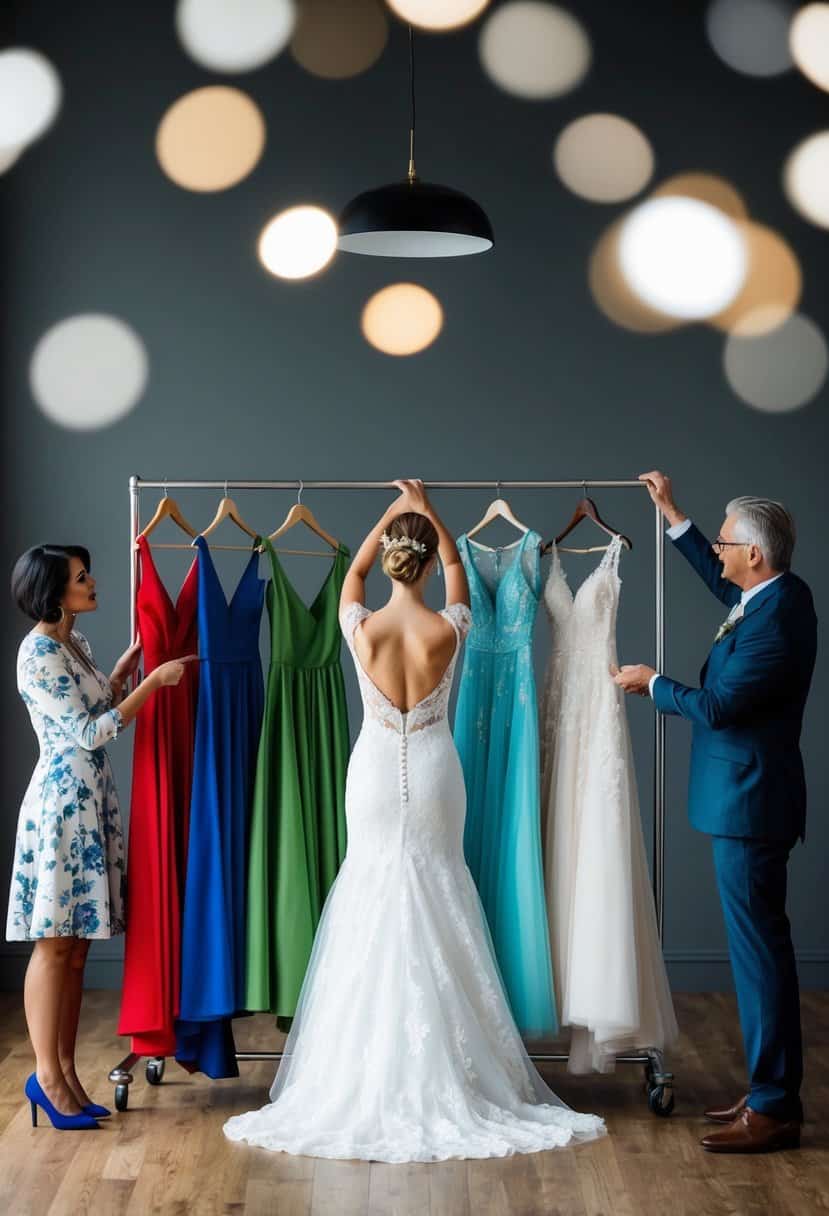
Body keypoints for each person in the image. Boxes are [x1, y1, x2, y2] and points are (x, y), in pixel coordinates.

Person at [223, 481, 604, 1161]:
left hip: (371, 771)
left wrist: (389, 518)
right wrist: (427, 511)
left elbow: (355, 572)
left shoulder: (359, 627)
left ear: (393, 561)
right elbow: (458, 572)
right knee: (438, 889)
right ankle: (453, 1069)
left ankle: (357, 1070)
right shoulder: (450, 628)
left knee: (369, 893)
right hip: (432, 770)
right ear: (426, 565)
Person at [614, 473, 817, 1154]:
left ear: (755, 556)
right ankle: (768, 1092)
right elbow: (717, 578)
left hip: (750, 806)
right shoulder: (768, 595)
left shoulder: (778, 619)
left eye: (728, 543)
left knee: (760, 959)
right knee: (758, 954)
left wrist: (655, 686)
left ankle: (774, 1107)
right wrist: (673, 516)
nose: (721, 553)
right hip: (743, 801)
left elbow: (721, 707)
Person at [8, 544, 195, 1130]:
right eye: (81, 578)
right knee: (55, 944)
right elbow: (88, 734)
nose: (92, 583)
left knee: (79, 946)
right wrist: (153, 684)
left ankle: (64, 1073)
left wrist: (116, 677)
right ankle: (45, 1077)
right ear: (54, 591)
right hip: (62, 807)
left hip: (91, 804)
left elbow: (95, 707)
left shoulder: (74, 645)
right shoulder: (38, 653)